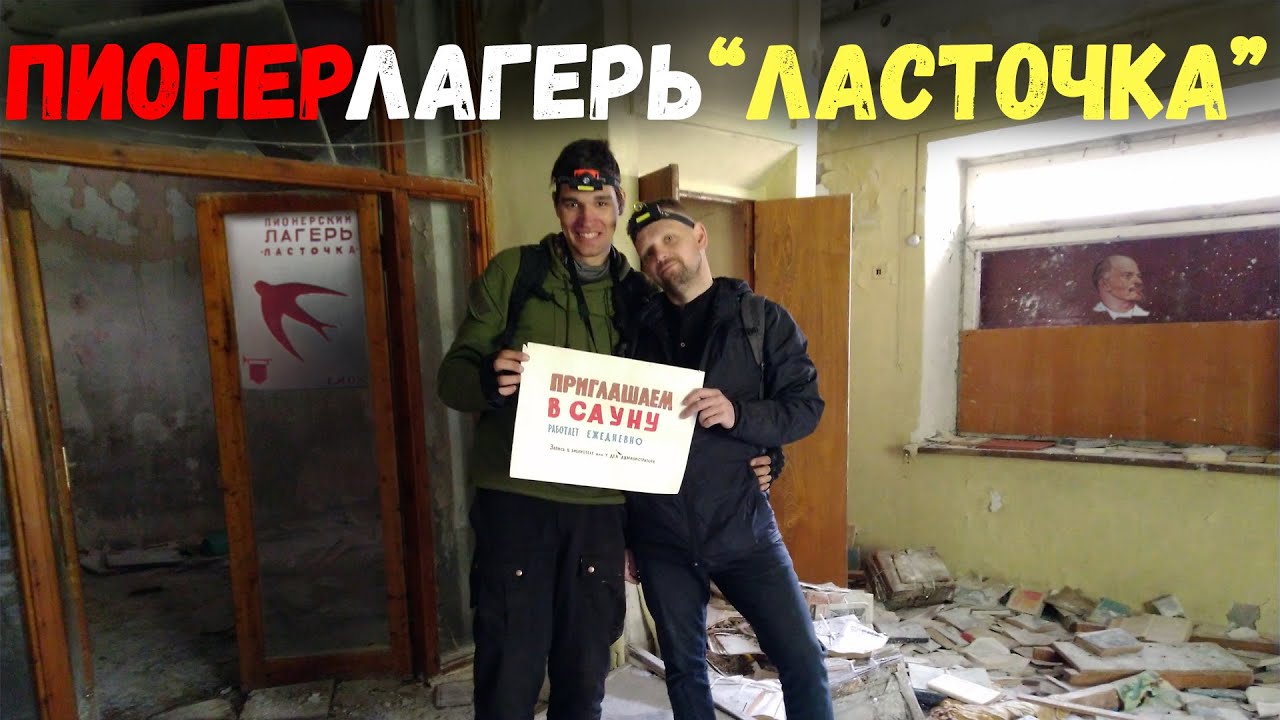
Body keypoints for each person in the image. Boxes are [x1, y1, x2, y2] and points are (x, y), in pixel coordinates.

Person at [436, 140, 776, 720]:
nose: (586, 219)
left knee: (584, 674)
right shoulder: (515, 272)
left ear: (619, 206)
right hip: (516, 502)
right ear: (557, 205)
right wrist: (489, 380)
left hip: (600, 512)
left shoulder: (640, 294)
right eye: (572, 202)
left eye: (600, 203)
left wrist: (757, 449)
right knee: (508, 672)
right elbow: (452, 379)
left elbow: (695, 393)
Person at [621, 198, 834, 720]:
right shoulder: (636, 332)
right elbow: (619, 438)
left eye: (668, 239)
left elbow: (805, 408)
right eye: (647, 251)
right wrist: (625, 534)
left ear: (699, 236)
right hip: (661, 537)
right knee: (684, 669)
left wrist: (739, 415)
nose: (658, 255)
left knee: (802, 658)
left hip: (744, 529)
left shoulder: (761, 320)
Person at [1092, 254, 1149, 319]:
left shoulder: (1148, 317)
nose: (1139, 282)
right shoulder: (1092, 317)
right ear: (1105, 284)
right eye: (1127, 275)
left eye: (1139, 276)